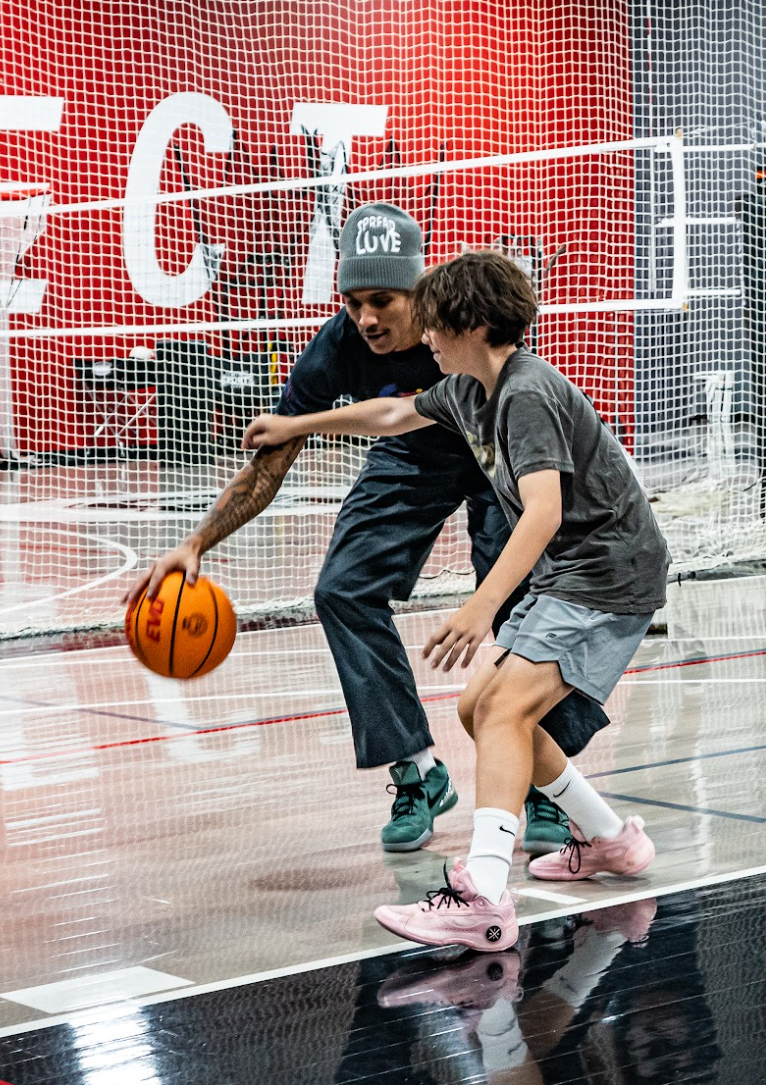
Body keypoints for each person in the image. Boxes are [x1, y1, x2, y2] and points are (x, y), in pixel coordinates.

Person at [126, 207, 608, 858]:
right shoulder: (336, 347)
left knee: (523, 602)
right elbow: (271, 463)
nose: (367, 318)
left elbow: (531, 425)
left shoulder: (467, 326)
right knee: (342, 589)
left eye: (383, 300)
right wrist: (194, 544)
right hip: (408, 459)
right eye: (353, 302)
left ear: (421, 291)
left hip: (497, 456)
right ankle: (416, 771)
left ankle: (541, 783)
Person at [245, 249, 670, 953]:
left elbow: (540, 513)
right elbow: (387, 415)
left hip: (607, 573)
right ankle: (608, 840)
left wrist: (480, 607)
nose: (425, 337)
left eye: (436, 323)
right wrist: (298, 426)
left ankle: (484, 891)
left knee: (503, 708)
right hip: (577, 572)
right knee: (480, 708)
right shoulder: (469, 389)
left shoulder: (526, 393)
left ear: (472, 324)